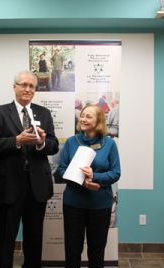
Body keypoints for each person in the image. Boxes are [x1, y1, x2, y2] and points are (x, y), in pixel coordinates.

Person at [0, 71, 59, 268]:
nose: (27, 89)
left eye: (31, 86)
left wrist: (42, 142)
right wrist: (16, 141)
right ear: (14, 87)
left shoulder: (43, 113)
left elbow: (54, 145)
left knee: (35, 238)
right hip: (9, 185)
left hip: (38, 186)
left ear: (35, 90)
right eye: (23, 85)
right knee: (6, 238)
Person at [57, 104, 121, 268]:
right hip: (73, 204)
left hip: (100, 205)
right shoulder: (72, 142)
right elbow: (62, 170)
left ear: (99, 120)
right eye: (83, 115)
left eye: (89, 116)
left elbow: (115, 173)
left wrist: (95, 176)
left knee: (96, 251)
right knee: (72, 250)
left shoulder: (109, 144)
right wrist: (82, 180)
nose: (83, 119)